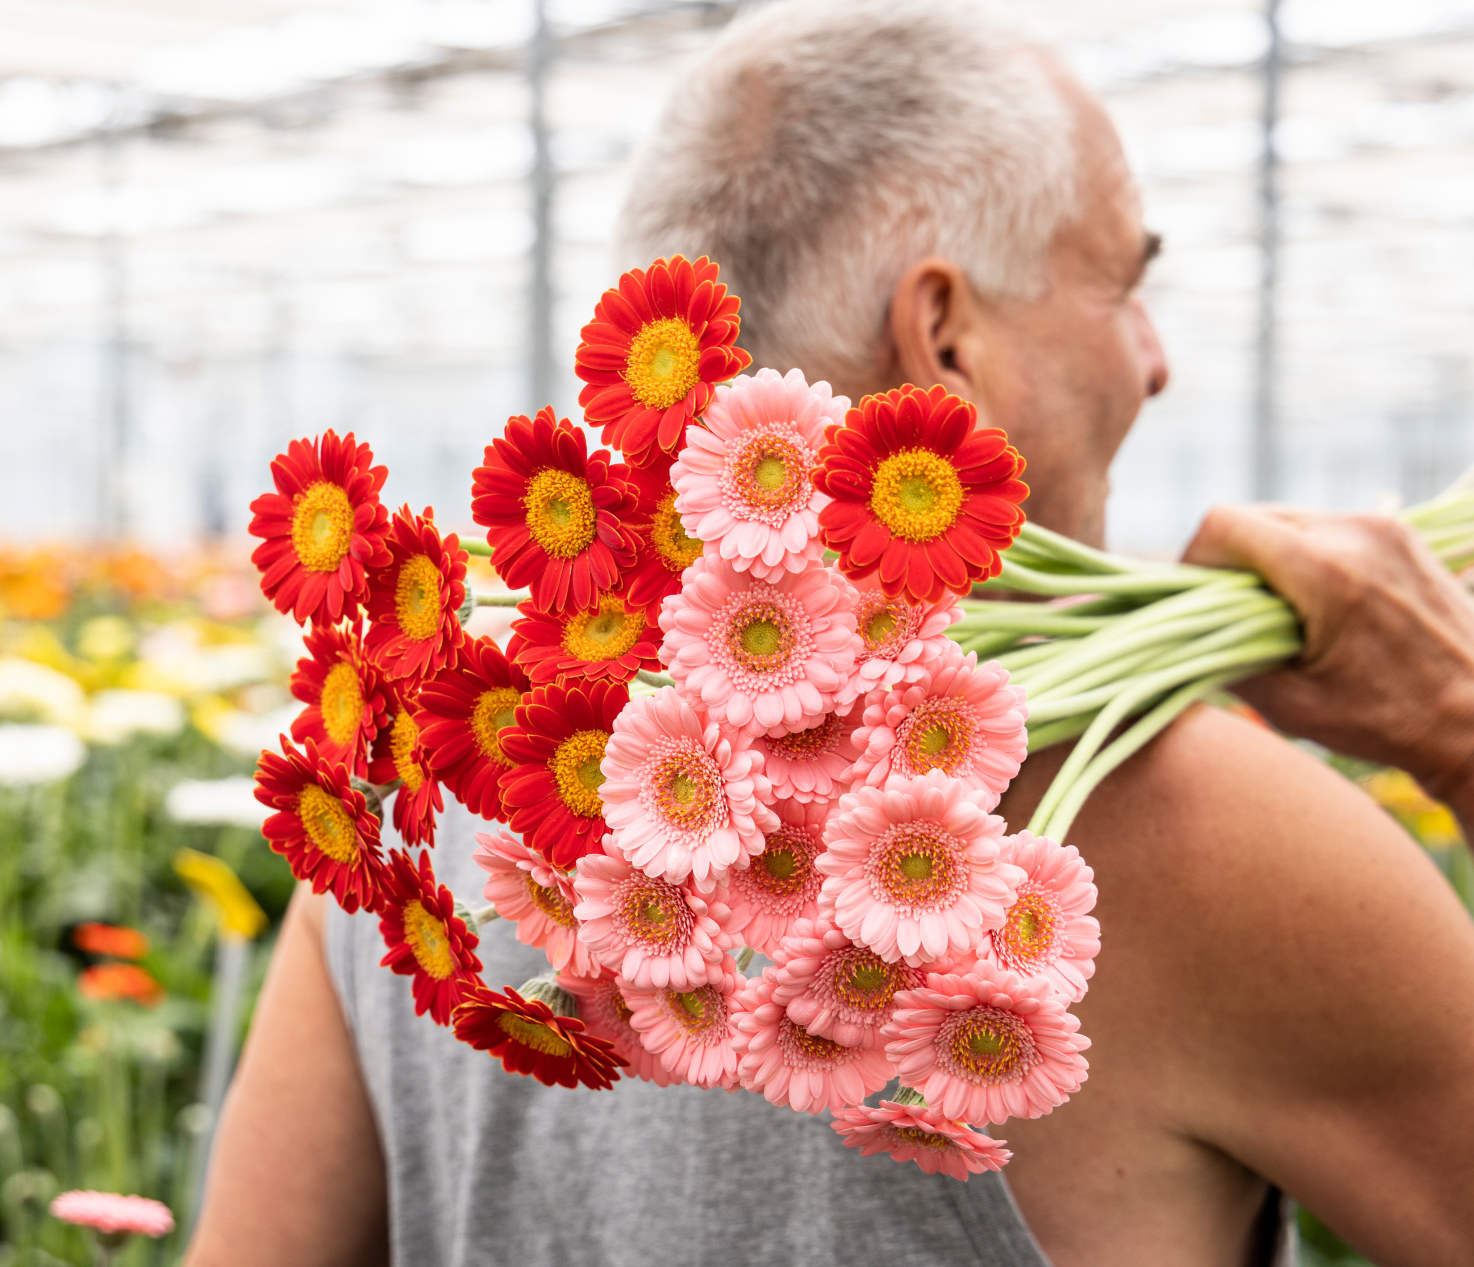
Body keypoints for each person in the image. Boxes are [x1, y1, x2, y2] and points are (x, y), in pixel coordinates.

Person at [187, 3, 1474, 1264]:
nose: (1155, 360)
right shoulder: (1209, 839)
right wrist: (1457, 733)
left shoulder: (417, 793)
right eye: (1125, 285)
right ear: (944, 334)